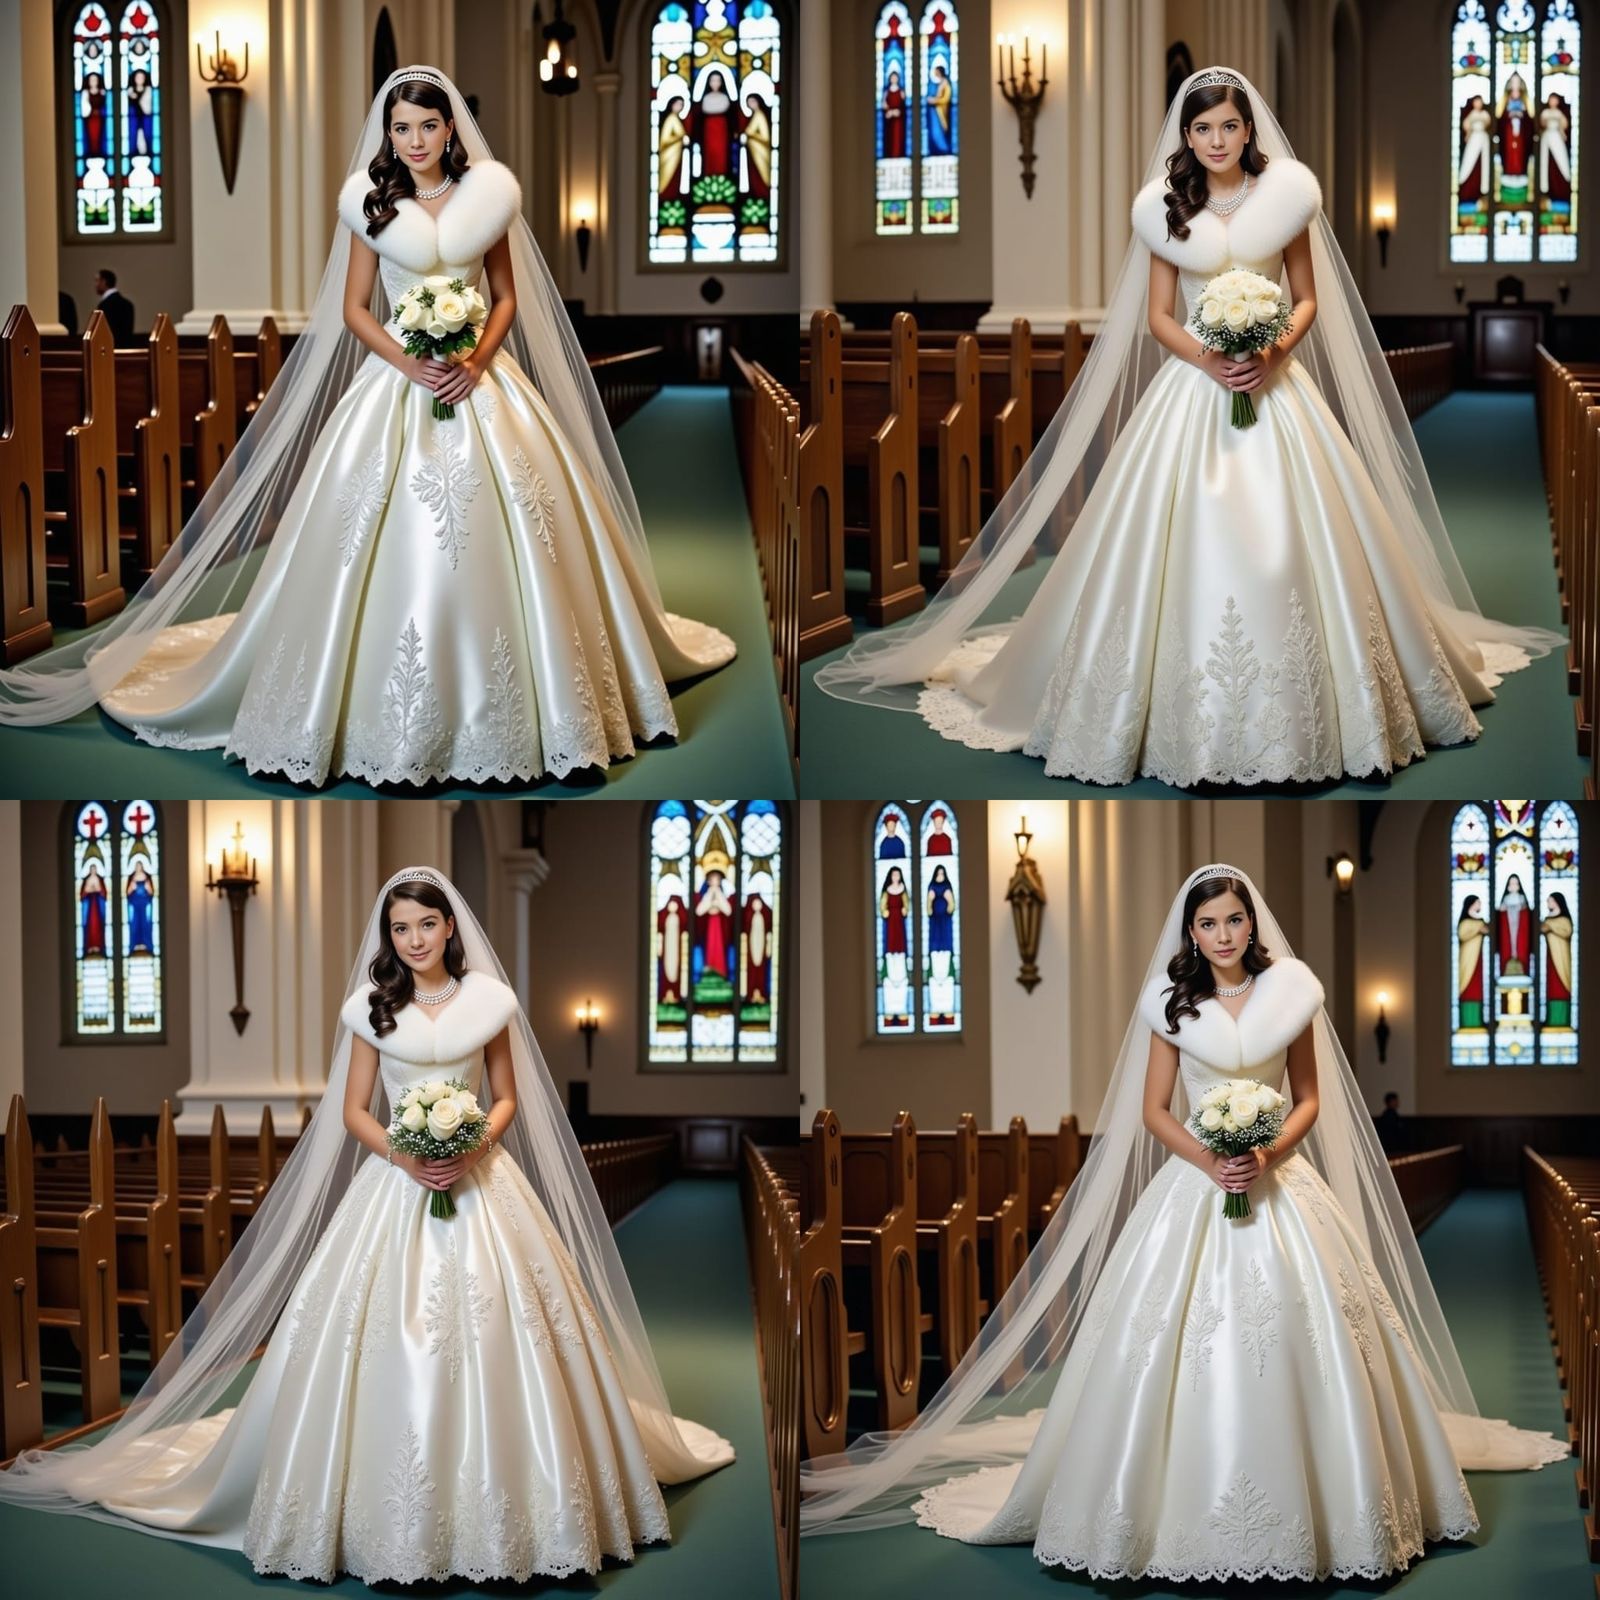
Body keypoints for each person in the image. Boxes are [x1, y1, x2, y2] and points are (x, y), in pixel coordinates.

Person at [799, 864, 1564, 1581]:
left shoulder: (1290, 993)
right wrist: (1210, 1159)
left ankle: (1340, 1507)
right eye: (1209, 923)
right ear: (1191, 933)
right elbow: (1153, 1111)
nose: (1224, 935)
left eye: (1235, 920)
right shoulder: (1172, 1004)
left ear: (1251, 924)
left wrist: (1264, 1153)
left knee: (1312, 1330)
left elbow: (1308, 1100)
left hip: (1280, 1182)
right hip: (1196, 1183)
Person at [815, 66, 1560, 788]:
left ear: (1248, 129)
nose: (1217, 139)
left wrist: (1270, 348)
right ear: (1187, 133)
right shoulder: (1163, 207)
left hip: (1276, 385)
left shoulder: (1285, 198)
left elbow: (1304, 299)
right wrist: (1212, 361)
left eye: (1229, 125)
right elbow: (1156, 317)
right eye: (1202, 127)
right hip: (1193, 387)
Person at [0, 67, 735, 785]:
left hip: (482, 379)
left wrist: (476, 359)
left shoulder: (488, 199)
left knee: (523, 522)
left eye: (427, 125)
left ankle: (545, 709)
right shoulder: (371, 204)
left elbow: (505, 296)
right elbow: (356, 308)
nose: (414, 139)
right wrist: (413, 363)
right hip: (397, 378)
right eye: (400, 128)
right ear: (388, 135)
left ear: (451, 129)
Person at [0, 868, 733, 1582]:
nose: (414, 939)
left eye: (426, 924)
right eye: (399, 928)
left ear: (451, 926)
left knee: (515, 1330)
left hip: (483, 1179)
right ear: (389, 936)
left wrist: (474, 1141)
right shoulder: (371, 1007)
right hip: (397, 1182)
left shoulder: (490, 1001)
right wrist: (408, 1156)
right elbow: (353, 1111)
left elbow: (506, 1096)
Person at [93, 268, 135, 345]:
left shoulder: (105, 305)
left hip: (110, 350)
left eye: (97, 280)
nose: (95, 285)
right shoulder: (128, 304)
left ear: (103, 282)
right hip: (126, 350)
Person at [1373, 1089, 1406, 1154]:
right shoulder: (1389, 1116)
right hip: (1391, 1147)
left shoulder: (1391, 1115)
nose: (1397, 1102)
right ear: (1390, 1102)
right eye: (1395, 1100)